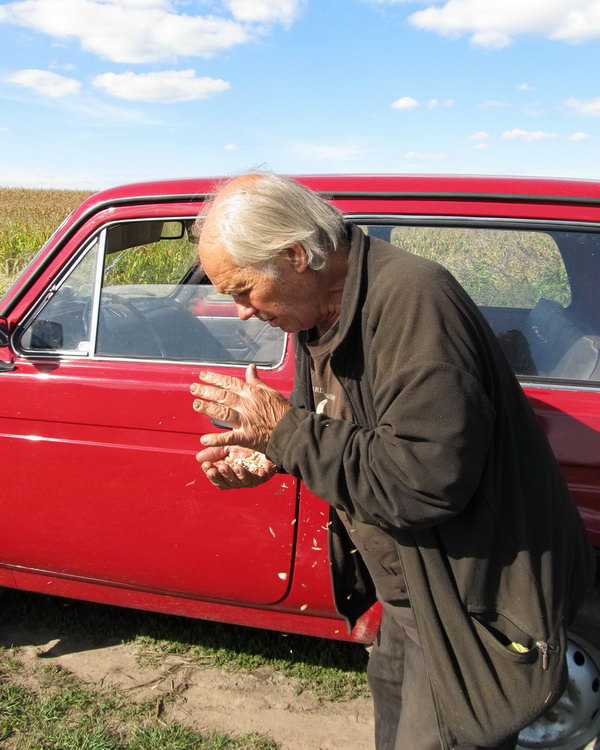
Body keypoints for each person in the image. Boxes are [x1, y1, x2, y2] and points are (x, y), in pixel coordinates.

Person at [190, 172, 594, 750]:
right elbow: (333, 424)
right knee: (394, 718)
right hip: (410, 587)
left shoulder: (415, 302)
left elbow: (424, 481)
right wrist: (273, 453)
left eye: (242, 290)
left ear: (295, 255)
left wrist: (286, 431)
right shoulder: (319, 310)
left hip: (466, 594)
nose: (241, 312)